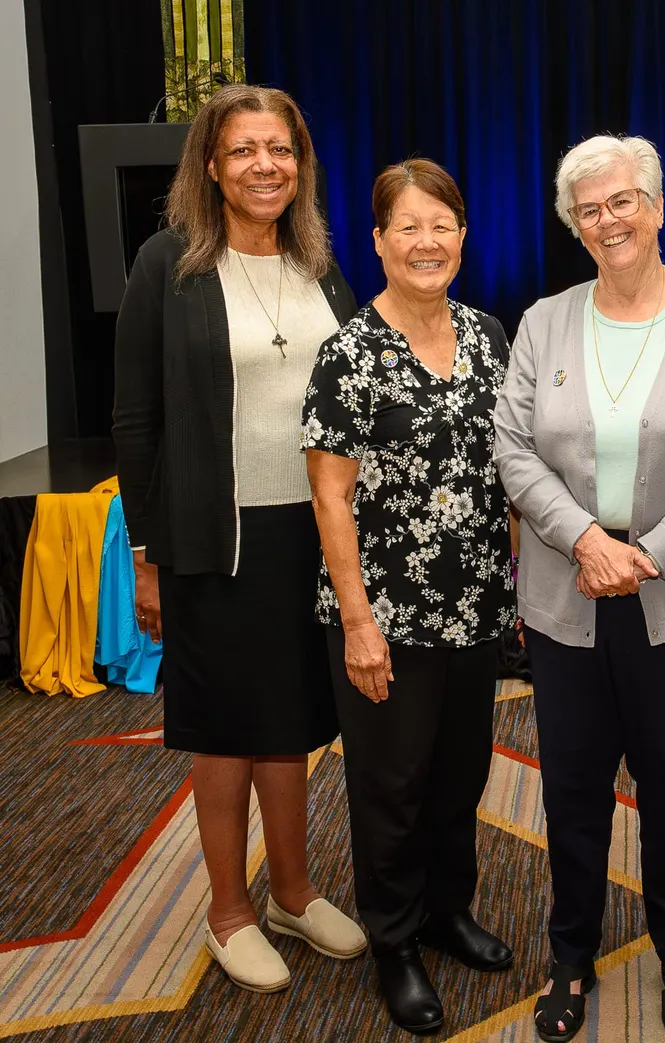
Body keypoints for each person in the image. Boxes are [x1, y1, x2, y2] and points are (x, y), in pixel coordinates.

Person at [493, 134, 665, 1042]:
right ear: (574, 225)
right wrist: (582, 537)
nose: (608, 220)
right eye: (590, 208)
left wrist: (646, 551)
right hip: (566, 594)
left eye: (623, 201)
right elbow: (511, 450)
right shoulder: (542, 321)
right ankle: (570, 955)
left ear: (657, 206)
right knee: (570, 786)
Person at [113, 85, 365, 993]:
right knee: (224, 729)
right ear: (211, 166)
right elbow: (135, 419)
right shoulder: (167, 263)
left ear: (301, 165)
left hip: (316, 533)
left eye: (282, 150)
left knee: (291, 721)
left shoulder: (320, 264)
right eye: (245, 150)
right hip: (213, 542)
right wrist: (145, 553)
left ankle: (293, 892)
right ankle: (229, 908)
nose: (266, 165)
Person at [302, 159, 516, 1034]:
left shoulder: (491, 333)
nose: (427, 241)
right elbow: (331, 497)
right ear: (380, 240)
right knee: (390, 783)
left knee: (461, 773)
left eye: (443, 225)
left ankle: (445, 910)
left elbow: (509, 475)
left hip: (475, 608)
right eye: (409, 226)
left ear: (463, 236)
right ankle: (393, 940)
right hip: (382, 615)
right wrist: (358, 621)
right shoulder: (347, 353)